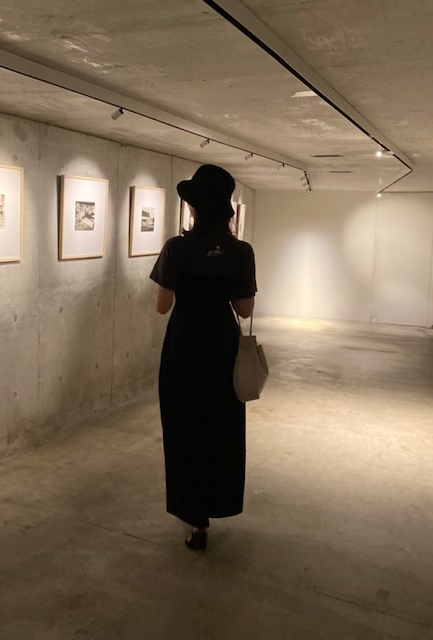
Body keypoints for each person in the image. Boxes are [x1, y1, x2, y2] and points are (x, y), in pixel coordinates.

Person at [149, 164, 257, 551]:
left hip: (184, 347)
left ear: (193, 207)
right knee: (220, 429)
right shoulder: (241, 252)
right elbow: (244, 309)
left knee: (183, 430)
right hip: (222, 348)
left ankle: (195, 519)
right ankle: (216, 501)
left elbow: (163, 306)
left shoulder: (176, 248)